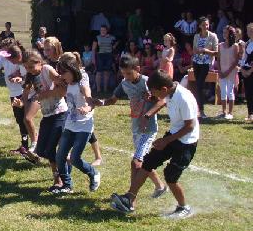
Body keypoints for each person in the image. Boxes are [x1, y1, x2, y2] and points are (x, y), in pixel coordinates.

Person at [111, 70, 199, 219]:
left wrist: (166, 140)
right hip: (174, 135)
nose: (154, 95)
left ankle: (184, 207)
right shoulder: (169, 91)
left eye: (155, 92)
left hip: (186, 142)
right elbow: (162, 100)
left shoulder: (183, 98)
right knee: (148, 162)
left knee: (170, 176)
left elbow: (190, 126)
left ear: (163, 89)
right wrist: (152, 99)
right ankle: (129, 198)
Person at [94, 55, 167, 197]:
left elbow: (161, 100)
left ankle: (131, 196)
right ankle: (160, 186)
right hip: (136, 127)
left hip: (148, 129)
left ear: (137, 69)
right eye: (123, 73)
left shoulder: (147, 82)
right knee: (144, 159)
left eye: (128, 73)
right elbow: (113, 99)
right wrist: (101, 102)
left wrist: (151, 99)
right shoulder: (124, 84)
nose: (126, 76)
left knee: (136, 162)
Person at [50, 59, 101, 194]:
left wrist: (87, 107)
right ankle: (67, 185)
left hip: (84, 126)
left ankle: (93, 173)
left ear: (71, 70)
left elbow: (91, 100)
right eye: (59, 72)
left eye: (63, 72)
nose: (61, 75)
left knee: (75, 159)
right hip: (70, 124)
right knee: (60, 156)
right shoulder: (66, 84)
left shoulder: (81, 84)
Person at [21, 51, 69, 186]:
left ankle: (59, 179)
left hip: (60, 113)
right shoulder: (31, 75)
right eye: (26, 67)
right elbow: (25, 92)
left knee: (50, 148)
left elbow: (63, 89)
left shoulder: (47, 70)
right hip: (47, 115)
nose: (29, 70)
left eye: (31, 67)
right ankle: (67, 160)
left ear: (40, 63)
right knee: (41, 150)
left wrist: (47, 94)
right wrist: (22, 102)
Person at [192, 16, 218, 119]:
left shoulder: (213, 36)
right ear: (200, 26)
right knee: (198, 86)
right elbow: (194, 50)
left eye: (207, 24)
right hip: (196, 62)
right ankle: (198, 109)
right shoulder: (196, 36)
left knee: (199, 84)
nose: (206, 26)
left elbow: (216, 52)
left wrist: (206, 51)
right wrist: (197, 51)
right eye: (203, 25)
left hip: (206, 63)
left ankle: (201, 110)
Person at [217, 26, 239, 120]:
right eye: (223, 32)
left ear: (230, 34)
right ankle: (224, 112)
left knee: (230, 91)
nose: (224, 34)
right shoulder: (220, 45)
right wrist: (220, 71)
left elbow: (236, 61)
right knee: (223, 91)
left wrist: (228, 71)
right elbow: (218, 60)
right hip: (222, 71)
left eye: (226, 32)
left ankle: (230, 113)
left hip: (231, 71)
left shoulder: (235, 46)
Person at [92, 25, 117, 93]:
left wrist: (113, 44)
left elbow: (115, 45)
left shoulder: (112, 37)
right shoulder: (97, 37)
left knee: (107, 72)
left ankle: (105, 88)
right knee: (99, 72)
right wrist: (93, 58)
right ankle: (98, 89)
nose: (102, 31)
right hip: (100, 55)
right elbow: (94, 49)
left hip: (109, 55)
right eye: (101, 30)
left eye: (104, 30)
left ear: (107, 31)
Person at [240, 23, 253, 122]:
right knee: (248, 93)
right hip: (246, 70)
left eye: (251, 31)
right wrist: (243, 69)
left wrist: (250, 71)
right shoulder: (247, 43)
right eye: (248, 31)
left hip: (251, 71)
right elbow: (243, 57)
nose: (249, 32)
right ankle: (250, 114)